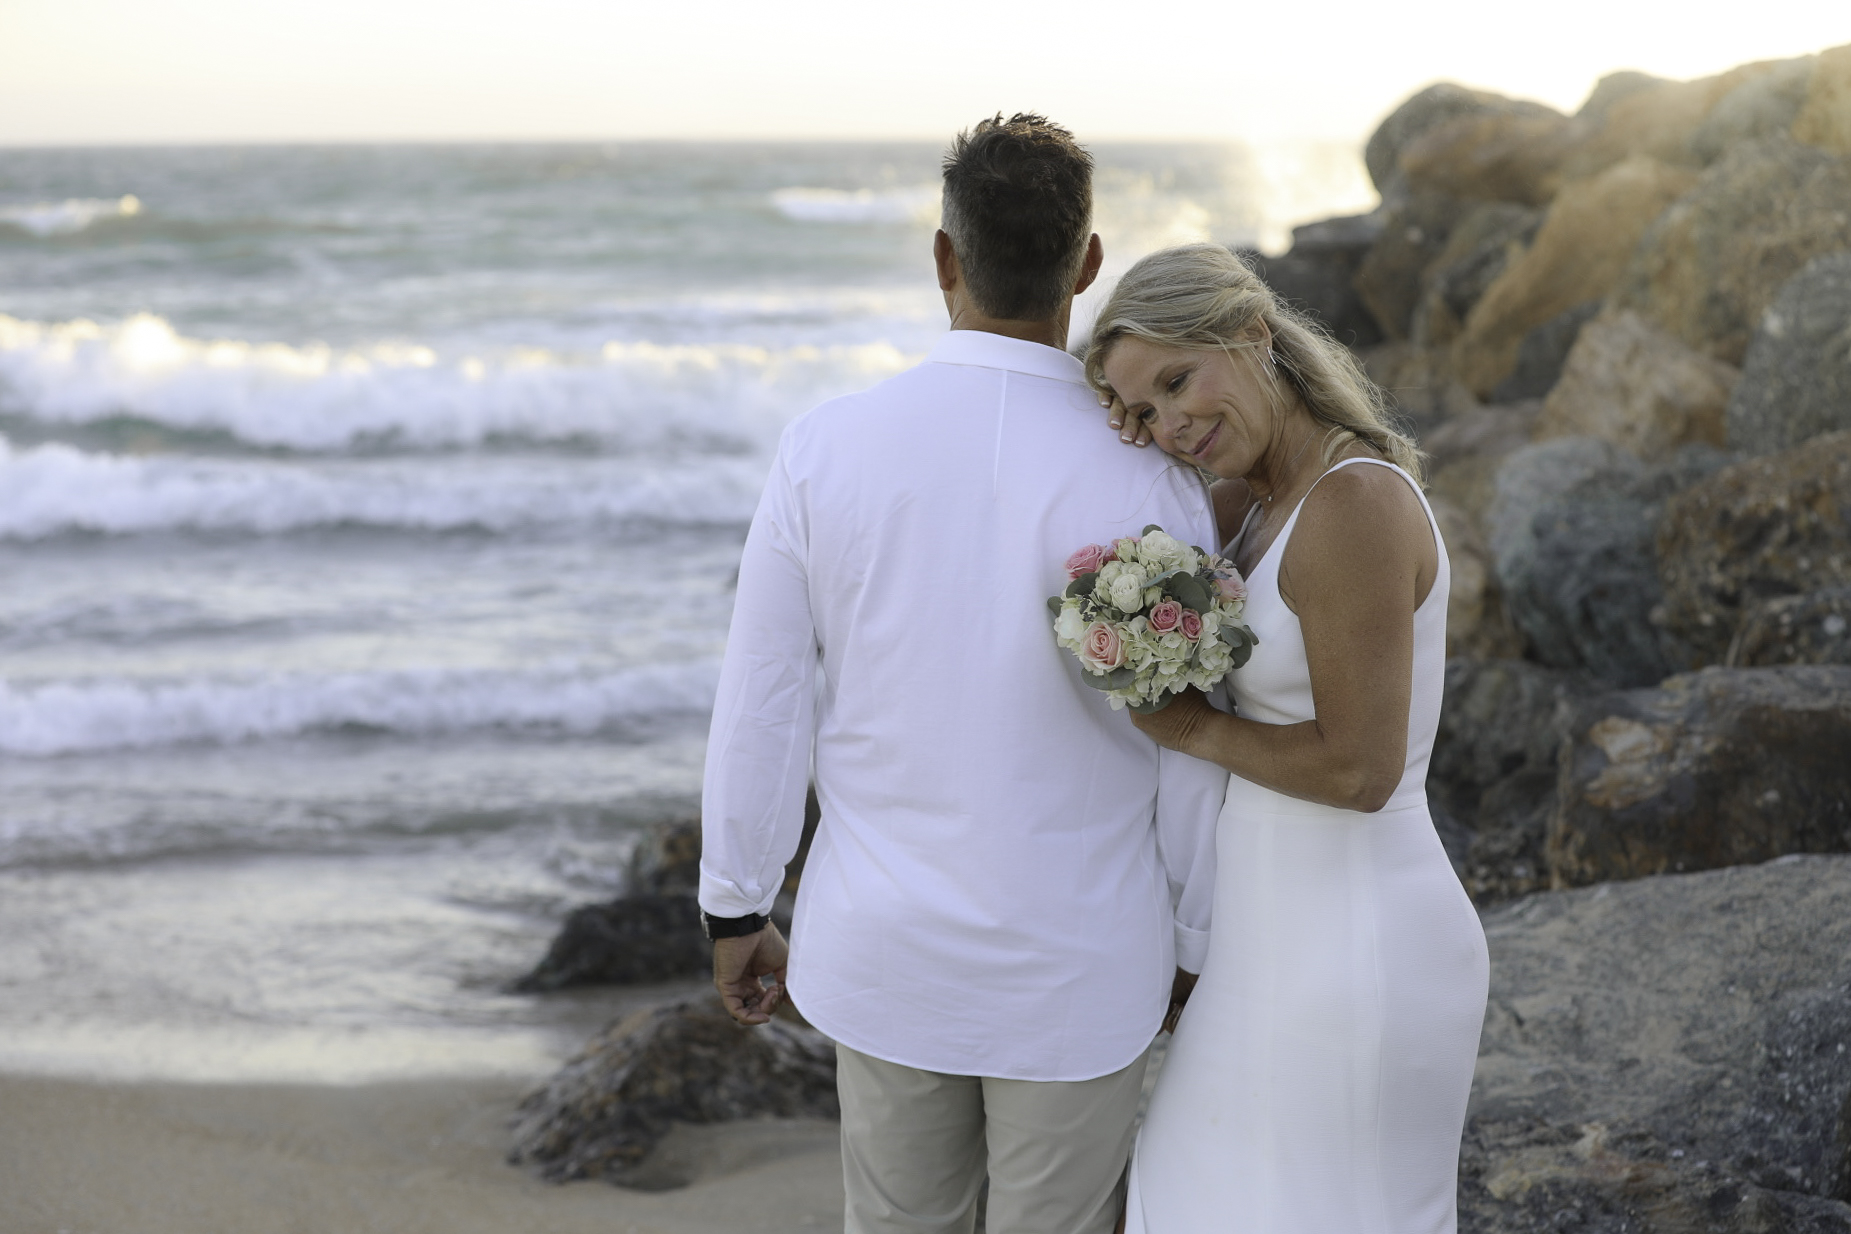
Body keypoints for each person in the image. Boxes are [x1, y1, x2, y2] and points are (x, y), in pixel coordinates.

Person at [697, 116, 1227, 1234]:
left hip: (888, 951)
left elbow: (763, 698)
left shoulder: (824, 448)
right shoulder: (1156, 477)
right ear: (1086, 266)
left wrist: (736, 900)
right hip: (1085, 958)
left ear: (944, 257)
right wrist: (1191, 941)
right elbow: (1188, 736)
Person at [1086, 242, 1490, 1234]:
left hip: (1358, 945)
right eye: (1140, 410)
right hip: (1265, 945)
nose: (1169, 425)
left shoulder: (1354, 503)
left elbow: (1360, 768)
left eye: (1179, 381)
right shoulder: (1246, 508)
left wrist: (1188, 728)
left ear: (1253, 334)